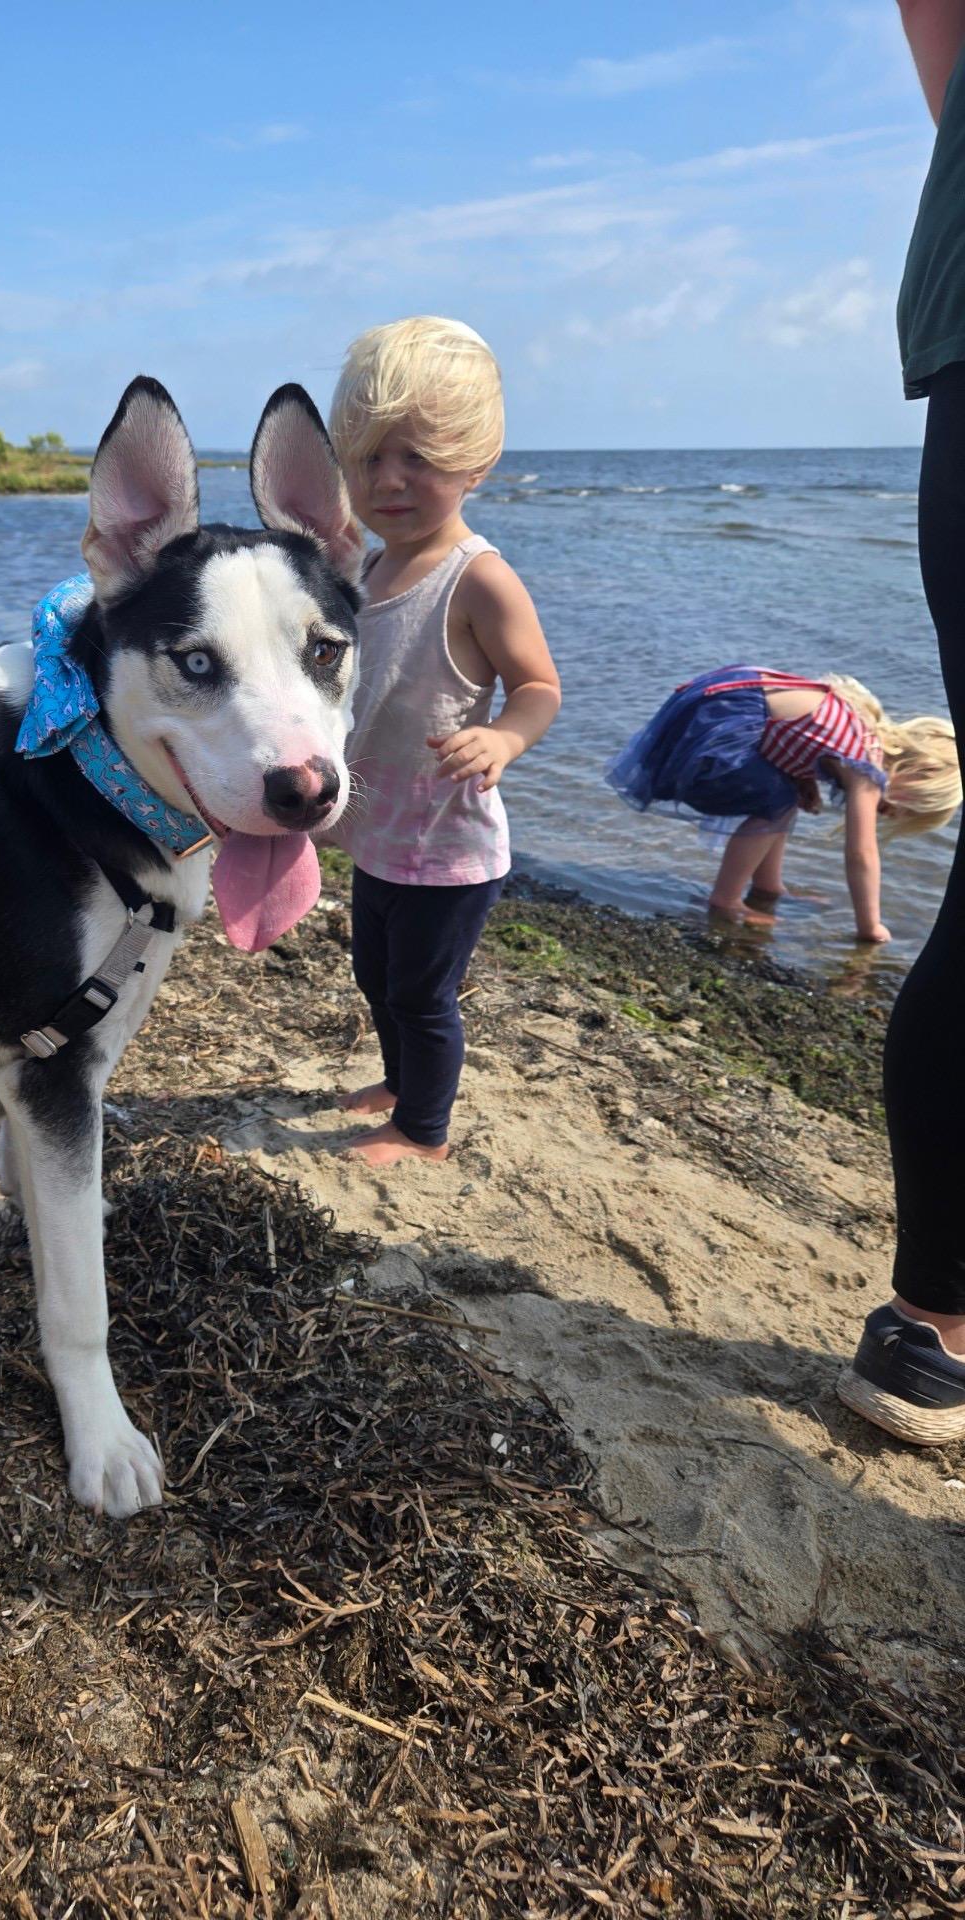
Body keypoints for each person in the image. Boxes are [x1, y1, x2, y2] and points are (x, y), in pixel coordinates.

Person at [325, 316, 561, 1169]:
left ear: (475, 463)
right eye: (369, 459)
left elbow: (539, 687)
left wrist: (503, 738)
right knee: (375, 979)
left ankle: (424, 1129)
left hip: (449, 846)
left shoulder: (479, 577)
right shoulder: (368, 570)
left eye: (417, 458)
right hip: (380, 833)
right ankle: (397, 1085)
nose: (389, 481)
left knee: (424, 996)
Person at [837, 0, 965, 1444]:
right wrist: (861, 934)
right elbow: (862, 846)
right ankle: (934, 1316)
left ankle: (932, 1319)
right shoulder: (859, 762)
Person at [605, 666, 958, 943]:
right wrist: (870, 926)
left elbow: (795, 733)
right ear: (918, 773)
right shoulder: (866, 769)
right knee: (776, 800)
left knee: (784, 796)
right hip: (725, 714)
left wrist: (801, 777)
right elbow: (861, 855)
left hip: (724, 698)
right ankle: (726, 899)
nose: (894, 814)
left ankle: (767, 887)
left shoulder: (862, 731)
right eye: (909, 809)